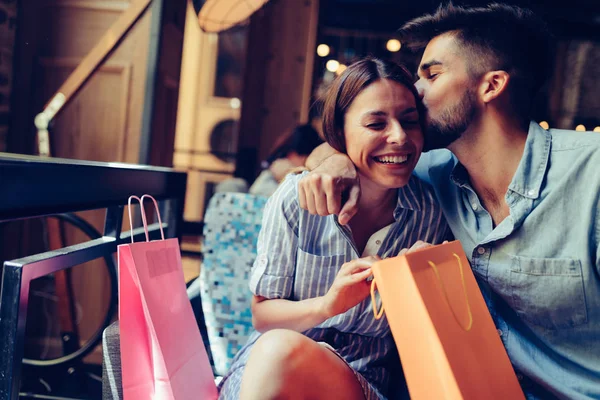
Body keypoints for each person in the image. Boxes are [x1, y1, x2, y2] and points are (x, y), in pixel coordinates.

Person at [298, 4, 600, 399]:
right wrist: (338, 163)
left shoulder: (591, 174)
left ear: (491, 85)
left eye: (431, 75)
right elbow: (341, 147)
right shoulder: (429, 173)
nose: (415, 91)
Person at [217, 58, 449, 400]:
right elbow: (263, 315)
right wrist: (327, 305)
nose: (399, 137)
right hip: (265, 372)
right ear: (339, 134)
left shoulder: (432, 212)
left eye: (410, 122)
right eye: (375, 124)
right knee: (278, 350)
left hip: (358, 380)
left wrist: (425, 283)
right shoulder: (296, 199)